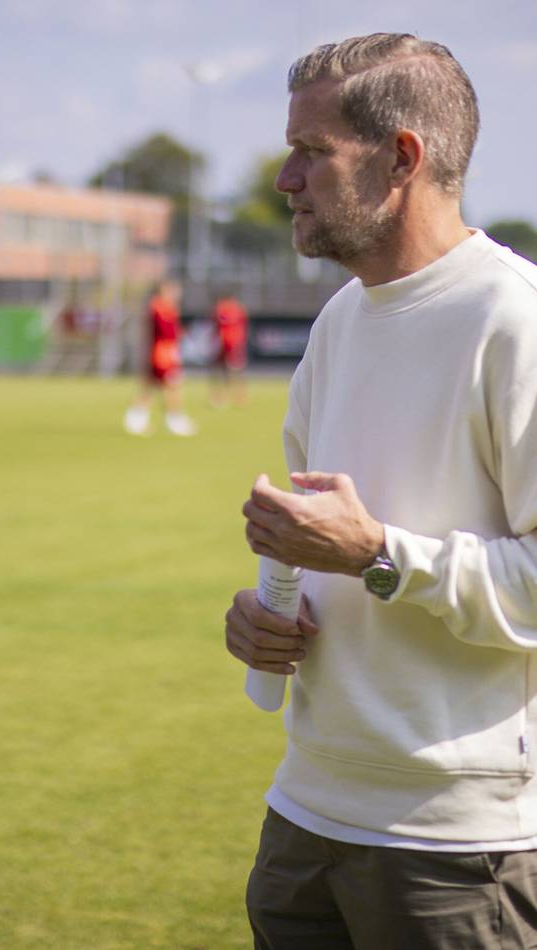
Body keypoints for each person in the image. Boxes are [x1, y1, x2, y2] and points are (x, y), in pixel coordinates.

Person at [223, 34, 537, 948]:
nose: (286, 177)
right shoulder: (340, 319)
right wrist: (269, 616)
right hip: (305, 815)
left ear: (402, 158)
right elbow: (324, 549)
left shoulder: (514, 321)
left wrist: (379, 556)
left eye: (312, 151)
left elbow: (379, 550)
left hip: (454, 849)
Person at [123, 279, 198, 436]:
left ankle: (138, 419)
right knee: (170, 387)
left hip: (165, 352)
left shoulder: (166, 307)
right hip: (161, 354)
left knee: (152, 388)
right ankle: (174, 420)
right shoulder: (159, 307)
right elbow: (164, 332)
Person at [209, 292, 249, 407]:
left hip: (225, 344)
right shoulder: (239, 309)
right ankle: (240, 398)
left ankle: (220, 397)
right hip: (236, 344)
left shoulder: (221, 308)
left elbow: (217, 327)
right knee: (236, 372)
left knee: (221, 371)